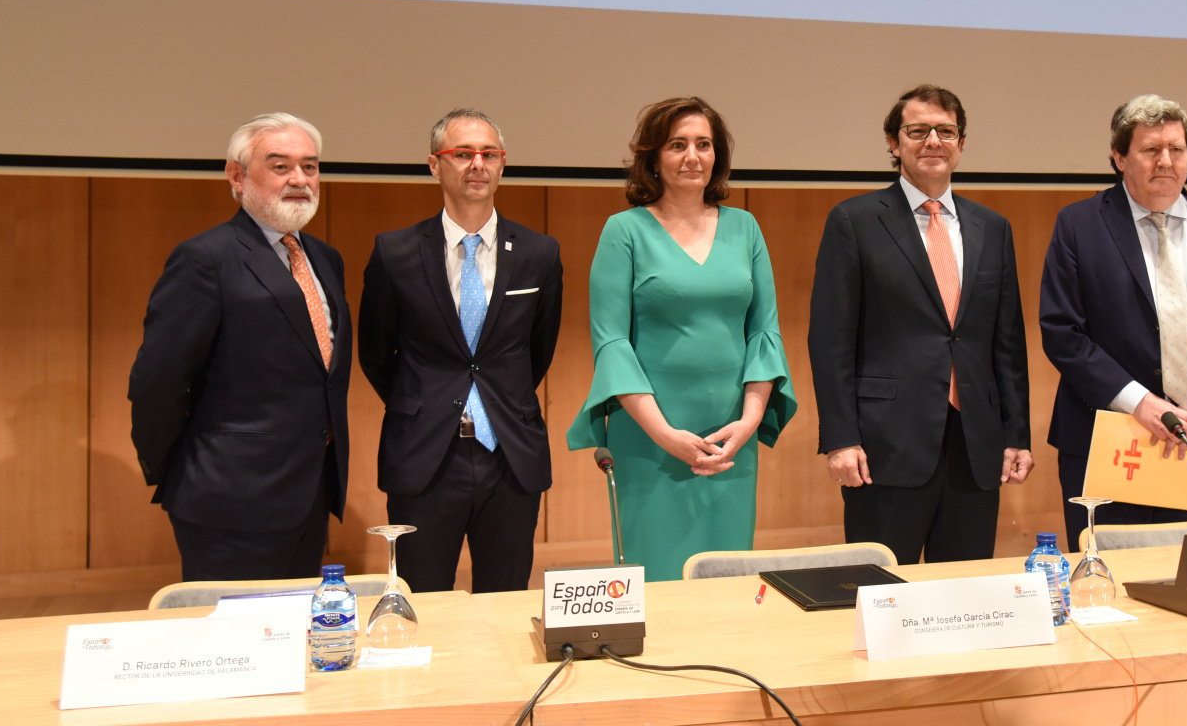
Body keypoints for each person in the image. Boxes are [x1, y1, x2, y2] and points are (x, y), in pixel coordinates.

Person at [567, 97, 795, 579]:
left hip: (731, 437)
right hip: (651, 437)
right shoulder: (623, 231)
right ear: (653, 158)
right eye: (677, 144)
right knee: (659, 577)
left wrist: (750, 422)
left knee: (728, 577)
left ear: (718, 157)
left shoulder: (746, 227)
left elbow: (764, 333)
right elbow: (612, 345)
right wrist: (666, 436)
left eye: (704, 144)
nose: (693, 156)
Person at [809, 85, 1032, 564]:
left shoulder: (992, 227)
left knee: (966, 597)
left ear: (961, 143)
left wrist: (1017, 435)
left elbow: (1008, 344)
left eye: (946, 131)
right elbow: (830, 341)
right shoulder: (854, 220)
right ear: (894, 142)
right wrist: (840, 438)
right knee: (883, 595)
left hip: (976, 447)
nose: (933, 140)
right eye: (918, 130)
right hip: (885, 447)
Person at [129, 113, 352, 581]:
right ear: (237, 176)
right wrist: (180, 469)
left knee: (295, 639)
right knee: (234, 648)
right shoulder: (205, 258)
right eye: (280, 166)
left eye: (310, 167)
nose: (300, 180)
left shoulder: (325, 259)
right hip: (227, 499)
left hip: (308, 491)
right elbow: (157, 382)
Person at [1039, 95, 1187, 550]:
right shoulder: (1078, 225)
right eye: (1150, 150)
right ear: (1119, 157)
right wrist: (1140, 402)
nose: (1166, 162)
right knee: (1109, 582)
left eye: (1176, 150)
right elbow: (1063, 332)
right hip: (1108, 438)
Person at [359, 109, 563, 593]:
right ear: (435, 165)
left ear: (502, 164)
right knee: (423, 601)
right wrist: (424, 402)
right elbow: (375, 352)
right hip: (426, 455)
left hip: (509, 455)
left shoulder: (539, 253)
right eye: (463, 154)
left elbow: (538, 351)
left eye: (489, 154)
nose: (477, 164)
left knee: (508, 600)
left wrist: (498, 402)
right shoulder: (396, 252)